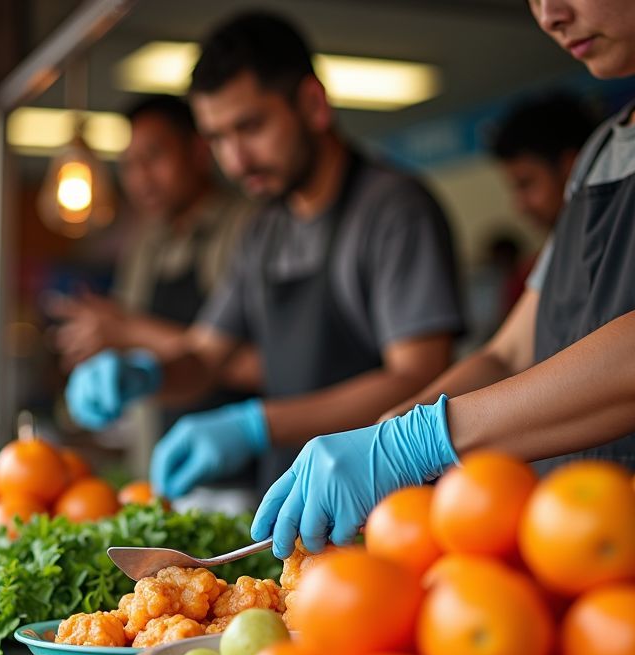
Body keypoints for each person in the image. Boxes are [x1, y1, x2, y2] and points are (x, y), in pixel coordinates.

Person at [253, 0, 635, 558]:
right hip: (596, 565)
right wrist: (388, 430)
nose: (550, 15)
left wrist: (419, 443)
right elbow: (508, 352)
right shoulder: (603, 151)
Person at [65, 11, 464, 499]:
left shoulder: (394, 211)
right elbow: (206, 357)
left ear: (313, 104)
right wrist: (147, 374)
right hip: (295, 500)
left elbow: (418, 376)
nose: (235, 160)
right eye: (216, 138)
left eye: (250, 127)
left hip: (390, 499)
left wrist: (256, 425)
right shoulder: (265, 229)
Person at [51, 95, 256, 476]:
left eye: (154, 157)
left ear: (198, 151)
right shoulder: (145, 243)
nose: (140, 177)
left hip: (250, 473)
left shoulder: (246, 227)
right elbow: (124, 338)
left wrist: (129, 331)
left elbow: (257, 363)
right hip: (161, 466)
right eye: (129, 164)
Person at [486, 91, 601, 315]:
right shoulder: (539, 269)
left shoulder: (621, 250)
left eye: (526, 184)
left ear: (572, 166)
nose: (520, 205)